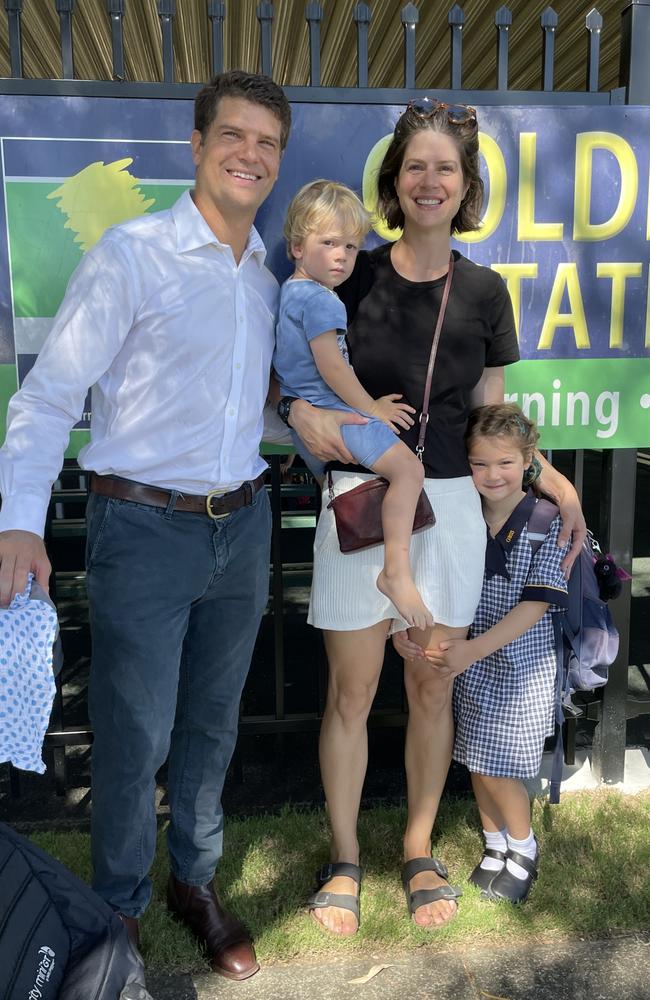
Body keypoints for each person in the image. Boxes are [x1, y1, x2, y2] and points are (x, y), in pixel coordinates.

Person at [0, 71, 296, 982]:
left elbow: (260, 408)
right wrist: (18, 526)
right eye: (234, 136)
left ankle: (194, 883)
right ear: (196, 146)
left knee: (212, 725)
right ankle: (121, 900)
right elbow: (48, 399)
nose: (251, 154)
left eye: (268, 144)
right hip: (143, 529)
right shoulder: (133, 255)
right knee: (135, 734)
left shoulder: (265, 277)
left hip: (242, 527)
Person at [283, 97, 586, 935]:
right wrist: (300, 416)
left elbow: (496, 420)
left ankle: (418, 844)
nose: (428, 180)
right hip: (360, 502)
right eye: (414, 165)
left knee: (429, 679)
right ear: (392, 180)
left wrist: (549, 479)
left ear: (464, 186)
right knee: (350, 691)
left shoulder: (486, 291)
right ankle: (345, 857)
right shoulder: (354, 273)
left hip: (449, 506)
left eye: (444, 168)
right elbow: (297, 371)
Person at [274, 179, 433, 629]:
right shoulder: (322, 301)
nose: (342, 255)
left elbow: (289, 367)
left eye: (350, 244)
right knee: (409, 471)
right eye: (328, 243)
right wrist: (372, 409)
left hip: (310, 423)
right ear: (296, 248)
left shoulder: (289, 294)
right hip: (340, 416)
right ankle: (396, 573)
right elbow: (333, 368)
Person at [427, 403, 569, 904]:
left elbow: (535, 604)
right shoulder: (462, 513)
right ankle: (494, 845)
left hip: (520, 665)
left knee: (500, 766)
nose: (492, 475)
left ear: (529, 459)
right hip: (471, 657)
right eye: (479, 463)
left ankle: (524, 847)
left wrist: (473, 650)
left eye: (505, 462)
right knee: (475, 757)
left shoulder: (547, 521)